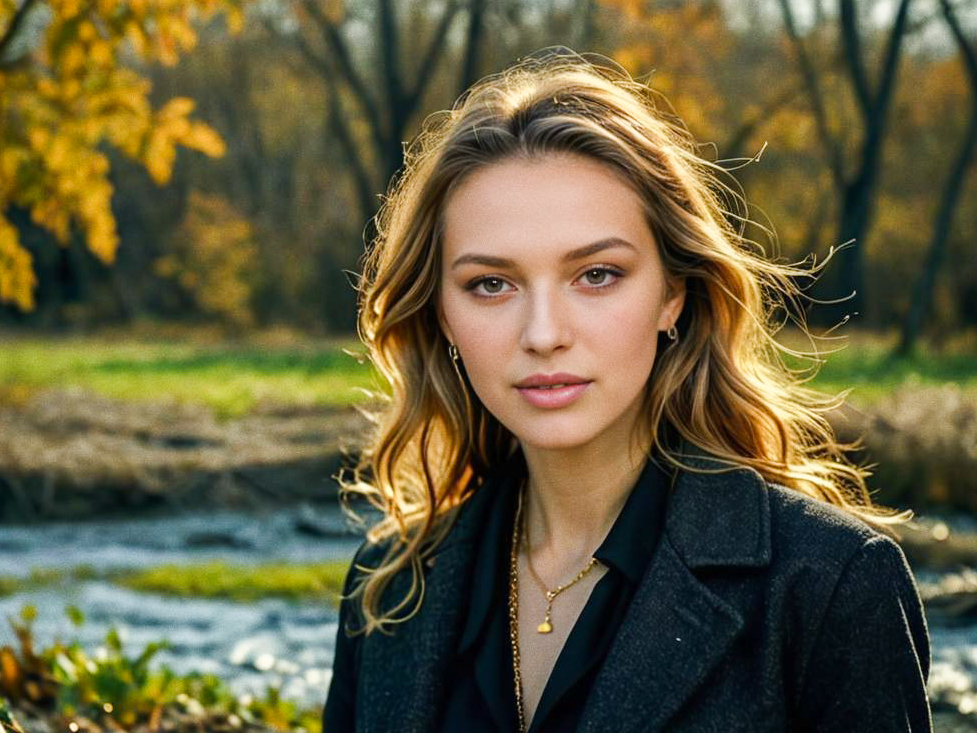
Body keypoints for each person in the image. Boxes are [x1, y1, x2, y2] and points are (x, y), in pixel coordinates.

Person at [322, 49, 932, 732]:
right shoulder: (388, 584)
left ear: (673, 293)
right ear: (441, 314)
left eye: (597, 274)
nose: (543, 333)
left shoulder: (829, 583)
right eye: (490, 283)